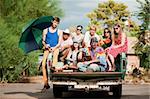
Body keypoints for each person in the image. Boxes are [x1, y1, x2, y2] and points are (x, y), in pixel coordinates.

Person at [41, 17, 62, 91]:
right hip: (47, 48)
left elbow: (59, 43)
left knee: (55, 55)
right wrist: (45, 45)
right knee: (43, 64)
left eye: (57, 23)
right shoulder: (45, 30)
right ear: (52, 22)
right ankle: (45, 83)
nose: (55, 24)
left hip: (55, 48)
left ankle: (53, 66)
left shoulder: (59, 31)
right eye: (54, 22)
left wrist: (54, 48)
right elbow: (43, 41)